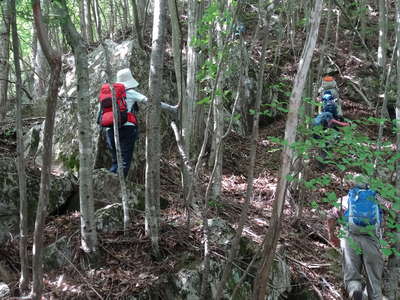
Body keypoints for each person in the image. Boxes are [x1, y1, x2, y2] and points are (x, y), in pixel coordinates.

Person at [326, 176, 388, 300]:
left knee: (352, 277)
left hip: (350, 240)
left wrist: (332, 235)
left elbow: (330, 216)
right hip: (372, 241)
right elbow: (391, 212)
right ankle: (375, 296)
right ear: (367, 186)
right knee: (374, 282)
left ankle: (355, 292)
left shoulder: (345, 199)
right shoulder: (376, 198)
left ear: (352, 185)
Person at [106, 68, 147, 177]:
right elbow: (149, 101)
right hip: (127, 128)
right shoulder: (131, 92)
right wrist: (172, 108)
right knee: (124, 161)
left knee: (115, 161)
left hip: (110, 128)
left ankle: (108, 183)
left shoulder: (109, 94)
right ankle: (118, 187)